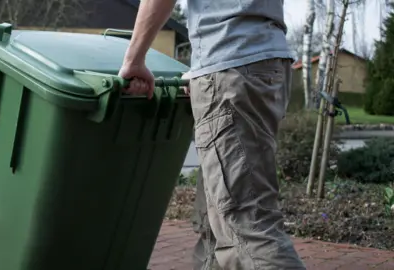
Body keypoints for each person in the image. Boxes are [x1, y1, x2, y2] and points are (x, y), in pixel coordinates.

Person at [118, 0, 306, 269]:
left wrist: (134, 59)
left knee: (247, 226)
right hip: (265, 61)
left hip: (230, 65)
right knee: (215, 226)